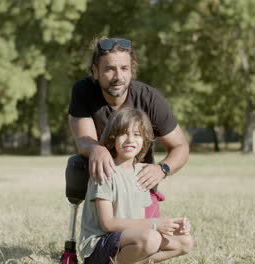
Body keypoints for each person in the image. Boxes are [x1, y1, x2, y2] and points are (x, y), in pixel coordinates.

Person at [68, 37, 189, 217]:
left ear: (132, 71)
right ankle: (76, 236)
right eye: (109, 69)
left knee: (152, 241)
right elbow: (84, 140)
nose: (118, 77)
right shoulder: (83, 91)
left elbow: (181, 147)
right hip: (105, 179)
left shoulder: (150, 98)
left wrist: (162, 169)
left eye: (124, 68)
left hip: (139, 182)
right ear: (95, 72)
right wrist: (95, 148)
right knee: (77, 165)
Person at [79, 107, 193, 264]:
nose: (130, 139)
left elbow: (139, 221)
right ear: (113, 137)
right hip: (98, 246)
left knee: (185, 242)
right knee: (150, 238)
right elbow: (108, 224)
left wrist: (171, 225)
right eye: (124, 133)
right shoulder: (104, 171)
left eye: (137, 134)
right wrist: (155, 224)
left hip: (127, 240)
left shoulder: (142, 173)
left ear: (144, 139)